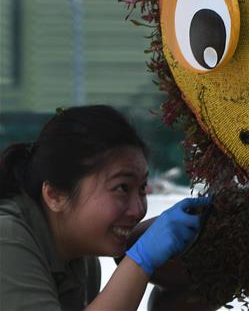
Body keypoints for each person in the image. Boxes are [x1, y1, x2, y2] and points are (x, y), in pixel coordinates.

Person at [0, 104, 211, 311]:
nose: (138, 210)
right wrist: (139, 261)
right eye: (122, 188)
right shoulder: (7, 240)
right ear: (54, 195)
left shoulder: (82, 261)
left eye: (142, 188)